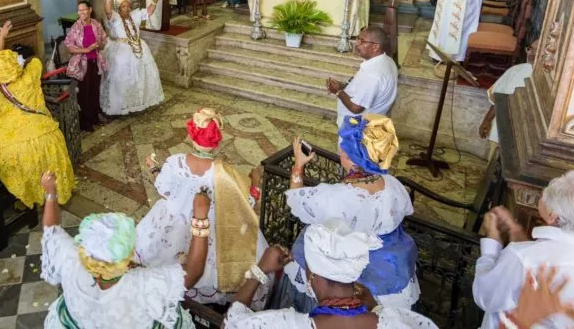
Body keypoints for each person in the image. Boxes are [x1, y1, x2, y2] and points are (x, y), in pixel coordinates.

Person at [136, 109, 270, 308]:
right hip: (210, 228)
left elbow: (164, 190)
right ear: (217, 142)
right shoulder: (224, 171)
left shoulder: (174, 162)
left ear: (191, 135)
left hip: (172, 224)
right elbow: (246, 203)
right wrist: (256, 183)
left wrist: (154, 168)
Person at [39, 170, 208, 328]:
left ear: (84, 250)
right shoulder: (143, 284)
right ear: (127, 256)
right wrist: (200, 216)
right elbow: (192, 272)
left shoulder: (70, 261)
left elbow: (51, 229)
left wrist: (50, 192)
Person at [473, 170, 574, 329]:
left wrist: (491, 242)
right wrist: (516, 233)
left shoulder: (522, 257)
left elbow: (487, 296)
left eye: (545, 194)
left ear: (553, 215)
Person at [285, 115, 419, 310]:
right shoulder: (393, 185)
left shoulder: (336, 196)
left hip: (344, 275)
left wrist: (298, 165)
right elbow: (406, 209)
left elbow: (297, 202)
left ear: (349, 156)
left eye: (343, 147)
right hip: (390, 267)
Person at [225, 221, 436, 329]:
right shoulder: (398, 323)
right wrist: (376, 307)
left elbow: (232, 322)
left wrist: (259, 271)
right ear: (353, 276)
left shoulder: (284, 324)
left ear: (311, 277)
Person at [0, 50, 76, 208]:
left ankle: (28, 197)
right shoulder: (29, 77)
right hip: (44, 133)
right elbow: (36, 59)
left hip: (9, 143)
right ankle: (53, 193)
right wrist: (22, 61)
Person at [100, 0, 165, 116]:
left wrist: (155, 0)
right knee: (122, 77)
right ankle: (122, 105)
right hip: (121, 51)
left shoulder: (135, 15)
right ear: (118, 8)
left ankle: (139, 102)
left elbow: (149, 11)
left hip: (138, 48)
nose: (127, 8)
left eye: (128, 5)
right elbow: (107, 11)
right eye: (124, 6)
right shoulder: (115, 18)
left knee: (140, 76)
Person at [326, 27, 398, 128]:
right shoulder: (387, 61)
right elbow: (364, 87)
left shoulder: (373, 74)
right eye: (358, 39)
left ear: (375, 47)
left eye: (362, 41)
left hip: (356, 129)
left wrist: (338, 91)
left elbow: (356, 108)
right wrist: (343, 86)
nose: (357, 44)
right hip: (367, 123)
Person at [64, 1, 108, 133]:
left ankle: (95, 117)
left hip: (95, 62)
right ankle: (86, 121)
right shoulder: (76, 27)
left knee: (94, 90)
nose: (81, 12)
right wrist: (86, 50)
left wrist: (99, 45)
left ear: (90, 10)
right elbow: (69, 47)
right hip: (81, 64)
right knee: (84, 93)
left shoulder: (96, 24)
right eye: (79, 10)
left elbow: (103, 41)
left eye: (84, 10)